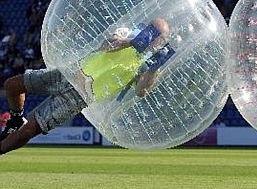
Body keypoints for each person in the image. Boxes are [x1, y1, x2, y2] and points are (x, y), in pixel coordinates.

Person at [0, 18, 173, 155]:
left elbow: (141, 91)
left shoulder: (149, 65)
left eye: (162, 38)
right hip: (70, 74)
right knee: (12, 85)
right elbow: (105, 46)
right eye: (155, 34)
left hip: (80, 96)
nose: (158, 41)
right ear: (147, 30)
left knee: (30, 128)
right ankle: (15, 118)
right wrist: (131, 42)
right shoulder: (127, 33)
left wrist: (153, 69)